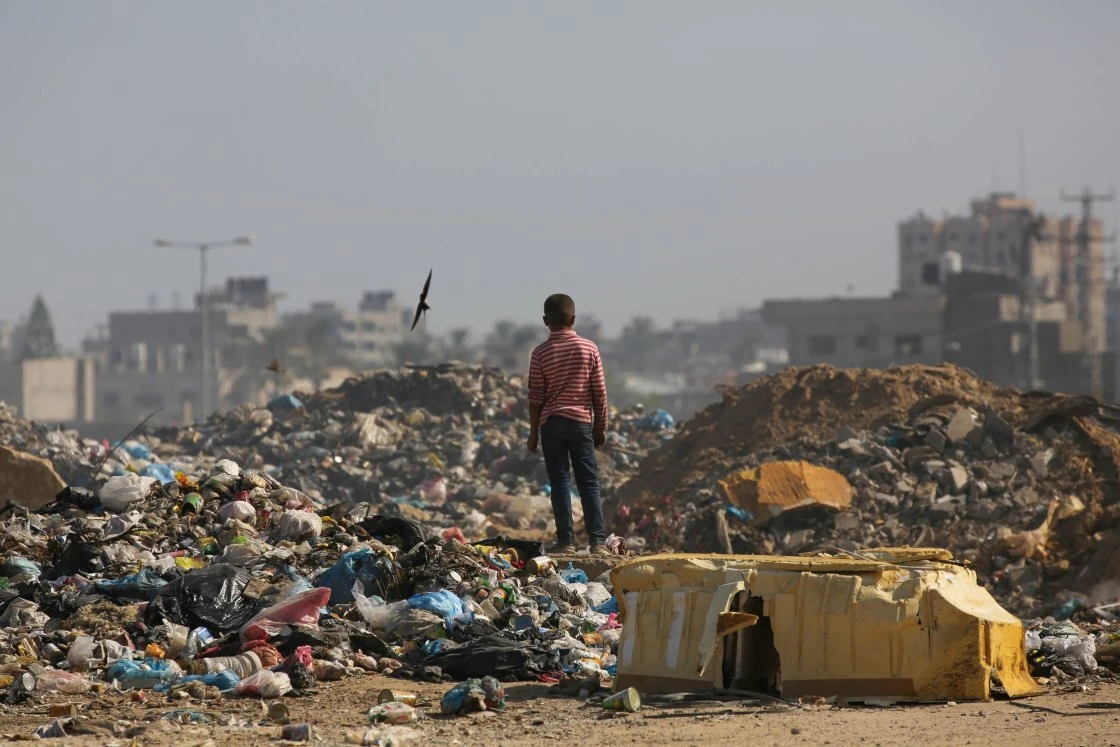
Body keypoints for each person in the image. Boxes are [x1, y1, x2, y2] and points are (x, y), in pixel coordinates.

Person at [527, 293, 611, 555]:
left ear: (545, 321)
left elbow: (535, 398)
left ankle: (566, 542)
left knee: (560, 482)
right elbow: (599, 392)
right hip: (580, 424)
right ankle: (597, 541)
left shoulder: (540, 353)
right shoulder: (589, 348)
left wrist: (533, 434)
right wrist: (600, 428)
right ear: (573, 319)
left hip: (551, 424)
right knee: (588, 483)